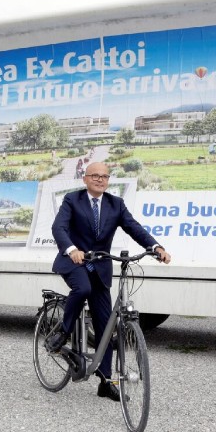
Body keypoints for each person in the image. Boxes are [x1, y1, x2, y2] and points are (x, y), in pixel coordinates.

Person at [47, 162, 171, 401]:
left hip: (100, 267)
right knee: (82, 288)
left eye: (104, 176)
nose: (100, 179)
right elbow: (58, 227)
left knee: (106, 326)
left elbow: (133, 228)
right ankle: (63, 331)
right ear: (85, 179)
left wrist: (155, 247)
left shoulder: (116, 204)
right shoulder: (72, 200)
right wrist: (71, 249)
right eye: (95, 175)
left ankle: (105, 381)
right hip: (75, 262)